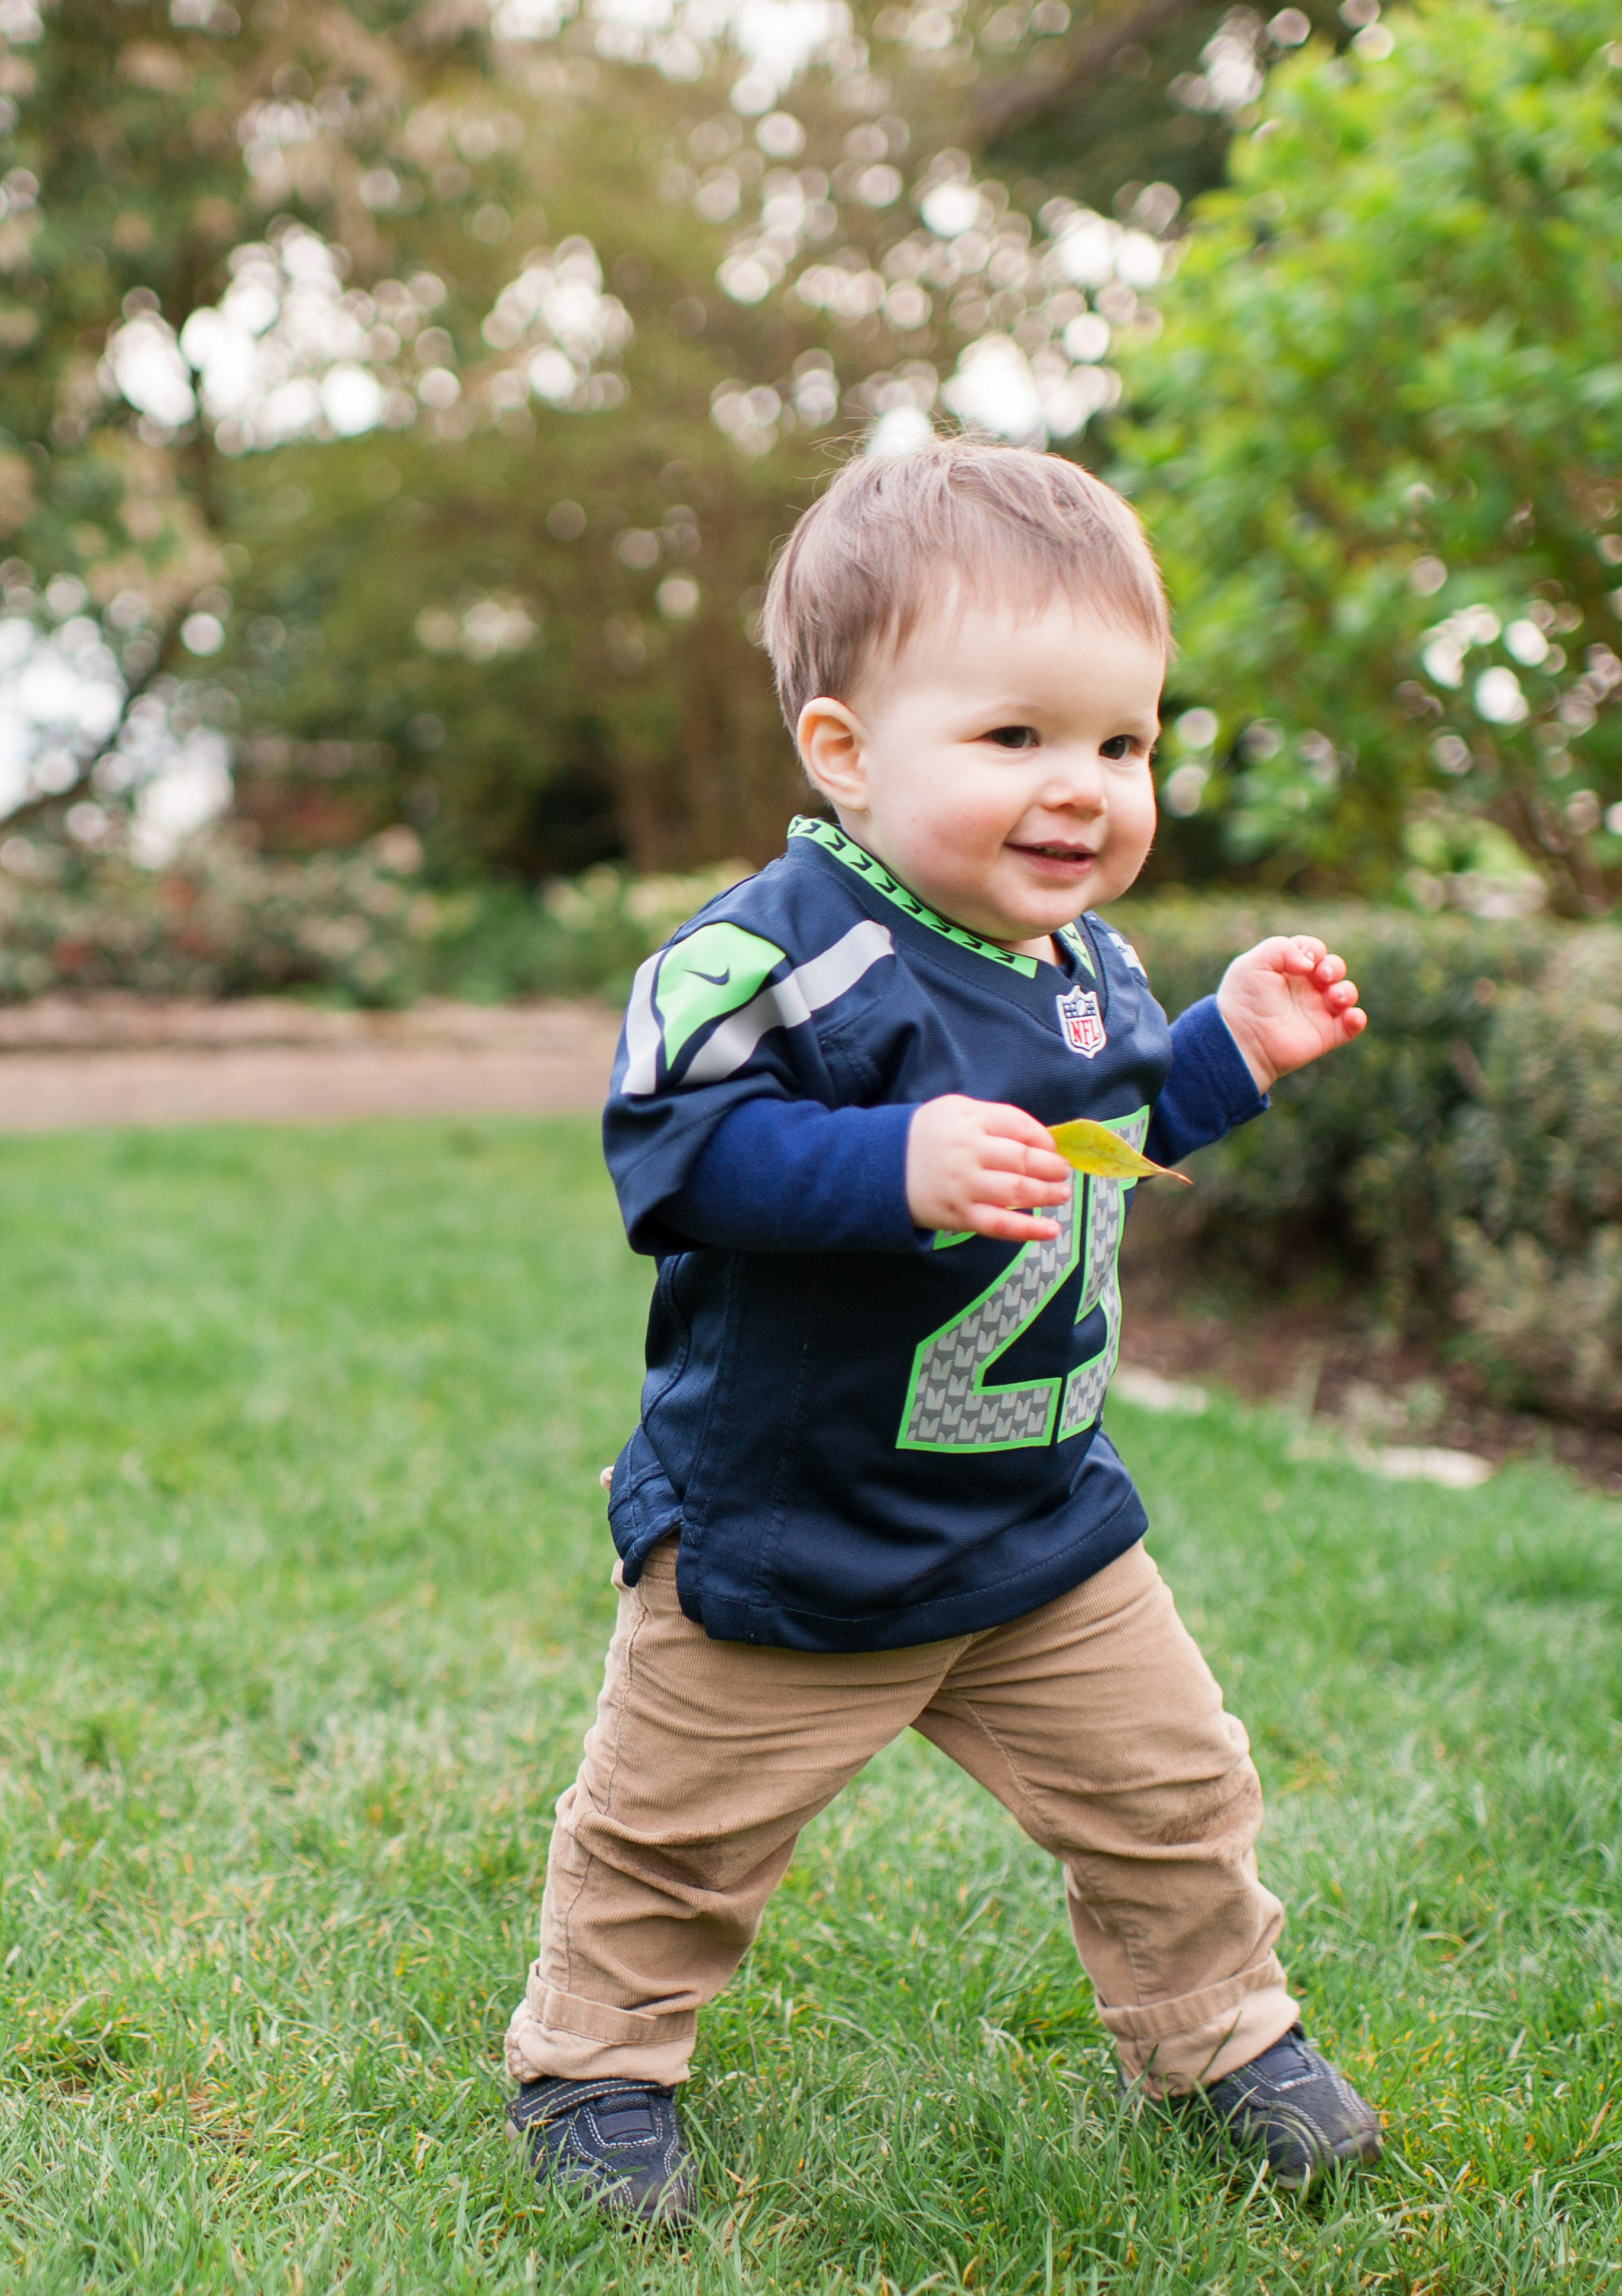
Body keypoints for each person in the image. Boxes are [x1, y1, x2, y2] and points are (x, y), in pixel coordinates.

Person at [505, 437, 1380, 2225]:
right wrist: (886, 1158)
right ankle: (595, 2061)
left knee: (1175, 1793)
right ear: (844, 751)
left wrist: (1226, 1050)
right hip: (788, 1515)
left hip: (1032, 1521)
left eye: (1121, 743)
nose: (1084, 789)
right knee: (675, 1838)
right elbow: (673, 1155)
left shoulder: (1090, 971)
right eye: (1015, 739)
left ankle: (1218, 2029)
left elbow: (1110, 1140)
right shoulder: (770, 959)